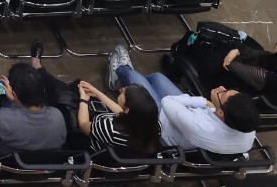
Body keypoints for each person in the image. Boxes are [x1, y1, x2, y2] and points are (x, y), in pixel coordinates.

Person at [108, 46, 259, 155]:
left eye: (223, 93)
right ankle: (132, 84)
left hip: (160, 123)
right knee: (157, 78)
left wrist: (204, 102)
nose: (220, 88)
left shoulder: (198, 127)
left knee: (132, 78)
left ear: (220, 113)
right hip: (184, 116)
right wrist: (209, 104)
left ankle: (121, 75)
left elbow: (168, 102)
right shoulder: (248, 130)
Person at [188, 36, 277, 106]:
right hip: (272, 100)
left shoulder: (266, 78)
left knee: (219, 53)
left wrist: (234, 50)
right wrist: (238, 50)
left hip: (241, 95)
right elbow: (266, 56)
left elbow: (230, 64)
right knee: (248, 47)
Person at [77, 81, 162, 157]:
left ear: (127, 110)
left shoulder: (108, 128)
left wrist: (83, 100)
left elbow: (83, 124)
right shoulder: (155, 127)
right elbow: (124, 113)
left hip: (95, 151)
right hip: (124, 157)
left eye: (124, 93)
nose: (121, 90)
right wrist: (97, 93)